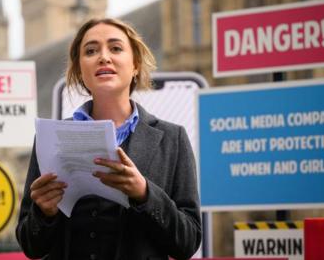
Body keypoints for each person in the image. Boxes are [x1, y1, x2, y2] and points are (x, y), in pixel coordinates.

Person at [16, 18, 201, 260]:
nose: (103, 57)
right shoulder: (50, 138)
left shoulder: (172, 139)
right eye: (91, 51)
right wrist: (44, 213)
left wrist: (145, 193)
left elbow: (188, 242)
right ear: (80, 69)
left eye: (115, 48)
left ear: (135, 64)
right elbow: (32, 246)